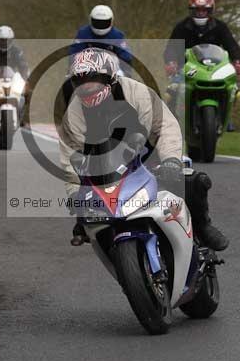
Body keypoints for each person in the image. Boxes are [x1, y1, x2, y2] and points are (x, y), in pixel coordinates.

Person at [59, 47, 229, 251]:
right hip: (106, 171)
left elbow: (165, 125)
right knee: (89, 221)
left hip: (150, 158)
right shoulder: (73, 114)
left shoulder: (138, 93)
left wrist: (170, 161)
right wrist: (75, 193)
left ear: (109, 77)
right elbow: (70, 156)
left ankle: (203, 227)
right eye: (80, 82)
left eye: (92, 79)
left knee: (192, 181)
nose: (87, 88)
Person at [164, 0, 240, 129]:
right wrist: (171, 62)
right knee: (170, 92)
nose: (201, 13)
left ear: (210, 10)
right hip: (187, 69)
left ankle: (226, 116)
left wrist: (237, 62)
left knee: (234, 91)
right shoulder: (181, 27)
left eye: (204, 10)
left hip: (214, 69)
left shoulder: (220, 27)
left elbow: (232, 46)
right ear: (191, 10)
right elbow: (171, 48)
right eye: (197, 10)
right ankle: (172, 121)